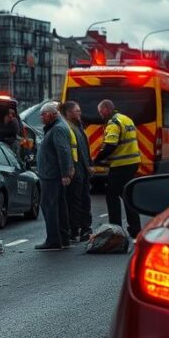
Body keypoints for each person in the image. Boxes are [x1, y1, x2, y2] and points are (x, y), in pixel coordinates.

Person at [93, 98, 143, 237]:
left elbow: (111, 145)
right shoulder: (126, 119)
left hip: (121, 165)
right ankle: (135, 228)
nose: (101, 115)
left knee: (111, 195)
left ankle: (115, 229)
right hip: (132, 162)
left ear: (106, 110)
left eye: (101, 112)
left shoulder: (113, 123)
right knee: (126, 195)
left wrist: (96, 160)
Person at [34, 102, 75, 251]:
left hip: (52, 175)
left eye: (43, 114)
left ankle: (53, 240)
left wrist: (65, 173)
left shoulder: (57, 129)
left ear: (52, 114)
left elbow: (63, 151)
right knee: (59, 207)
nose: (41, 117)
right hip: (53, 174)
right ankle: (63, 238)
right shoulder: (56, 127)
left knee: (50, 207)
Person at [60, 100, 93, 242]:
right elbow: (69, 151)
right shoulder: (67, 127)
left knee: (84, 200)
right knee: (75, 201)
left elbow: (85, 149)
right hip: (76, 169)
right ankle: (75, 230)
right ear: (68, 113)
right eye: (76, 111)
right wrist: (70, 170)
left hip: (82, 169)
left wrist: (89, 165)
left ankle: (85, 228)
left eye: (79, 110)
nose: (79, 113)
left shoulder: (78, 126)